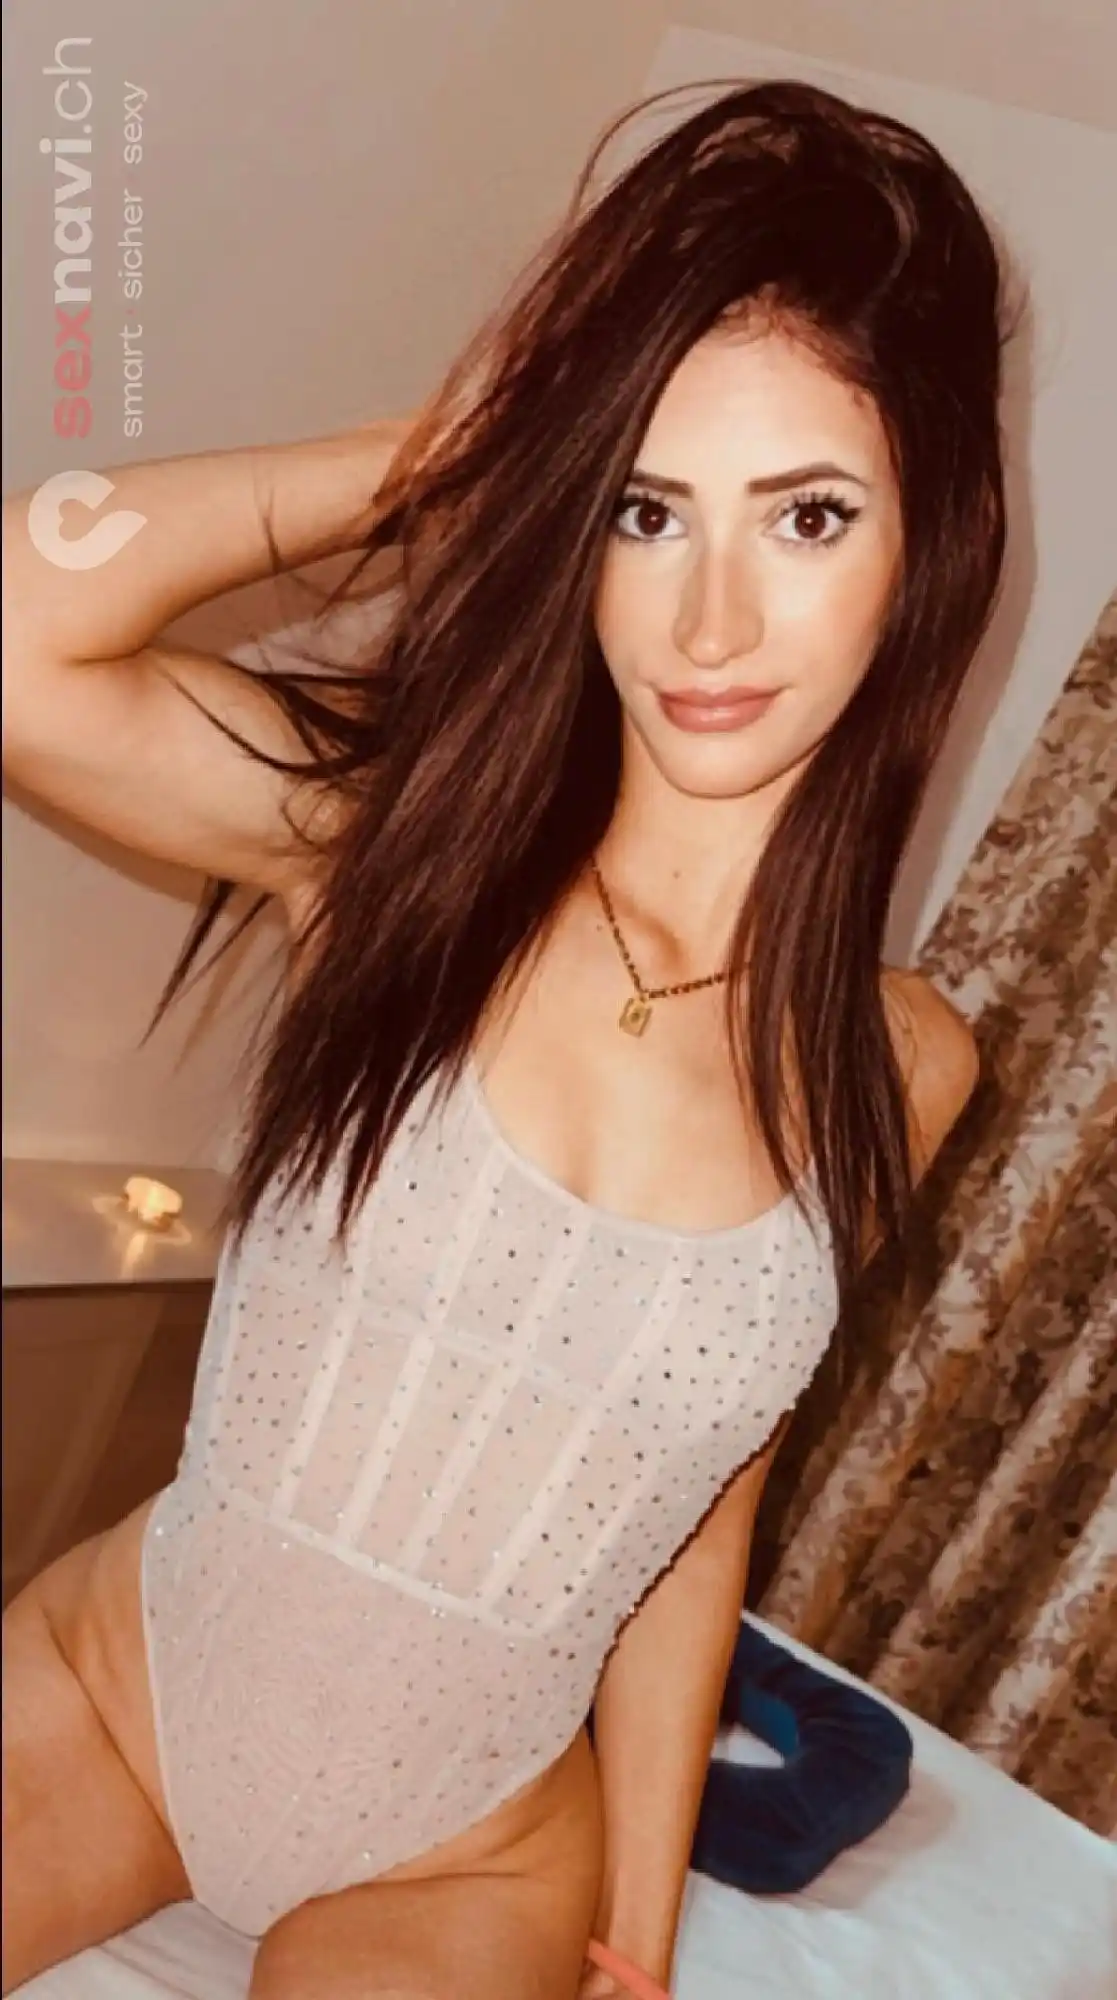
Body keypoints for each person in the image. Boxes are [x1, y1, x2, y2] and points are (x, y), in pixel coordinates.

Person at [1, 76, 1008, 2000]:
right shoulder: (386, 852)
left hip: (463, 1852)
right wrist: (450, 449)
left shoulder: (909, 1065)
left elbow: (698, 1512)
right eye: (646, 509)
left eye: (808, 516)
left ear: (928, 547)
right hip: (122, 1695)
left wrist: (640, 1927)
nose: (710, 618)